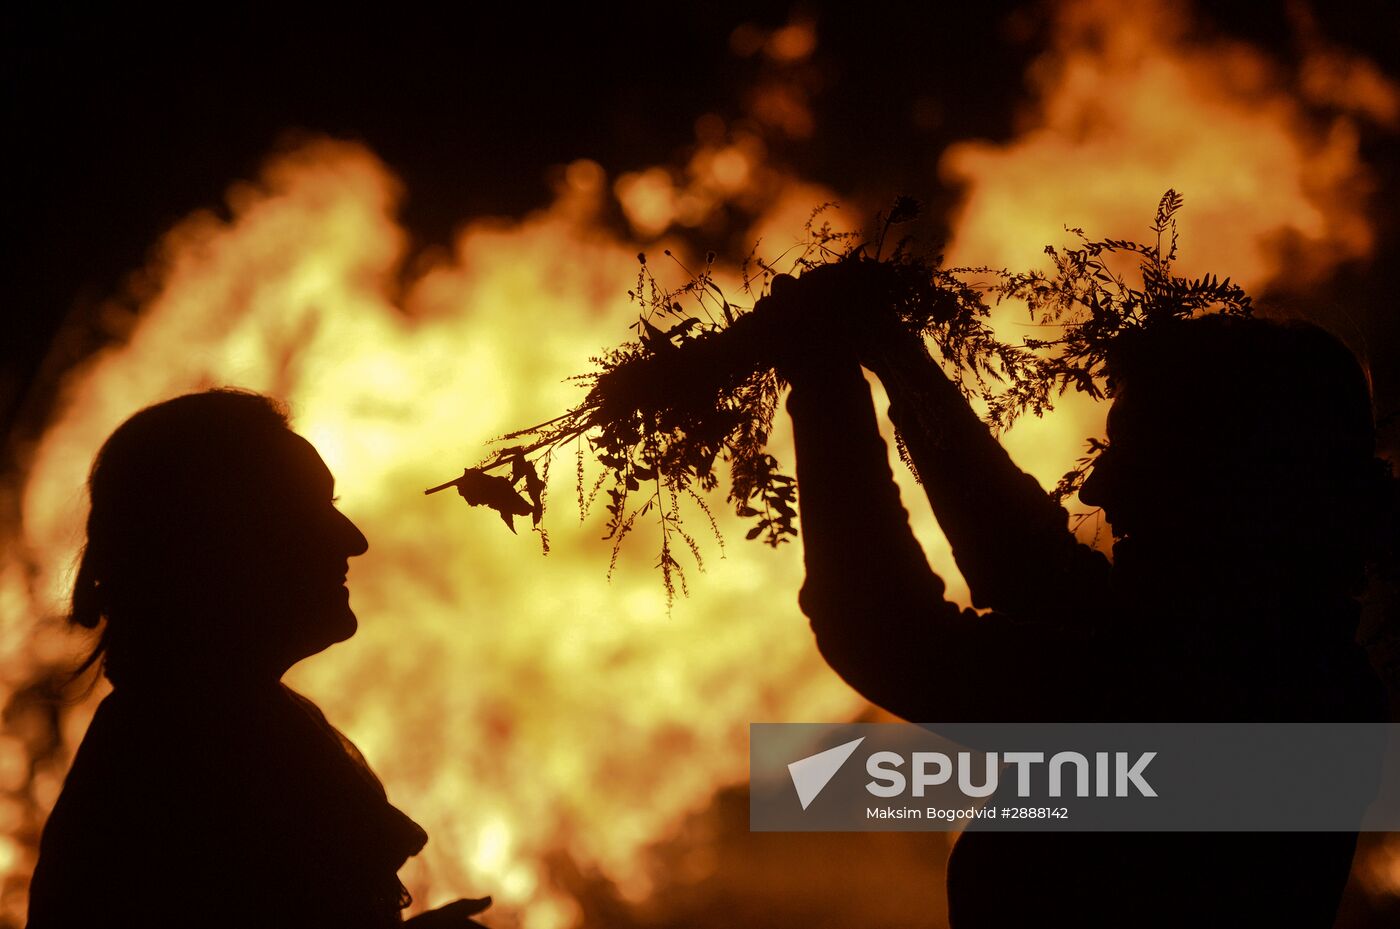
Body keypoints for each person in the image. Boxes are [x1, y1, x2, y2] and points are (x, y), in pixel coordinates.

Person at [768, 265, 1389, 927]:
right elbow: (1029, 572)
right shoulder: (1282, 660)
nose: (1096, 489)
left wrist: (826, 382)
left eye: (1139, 460)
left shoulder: (1227, 696)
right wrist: (891, 354)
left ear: (1233, 493)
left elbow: (888, 633)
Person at [28, 390, 490, 929]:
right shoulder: (188, 768)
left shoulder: (215, 736)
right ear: (222, 548)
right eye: (307, 512)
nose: (353, 540)